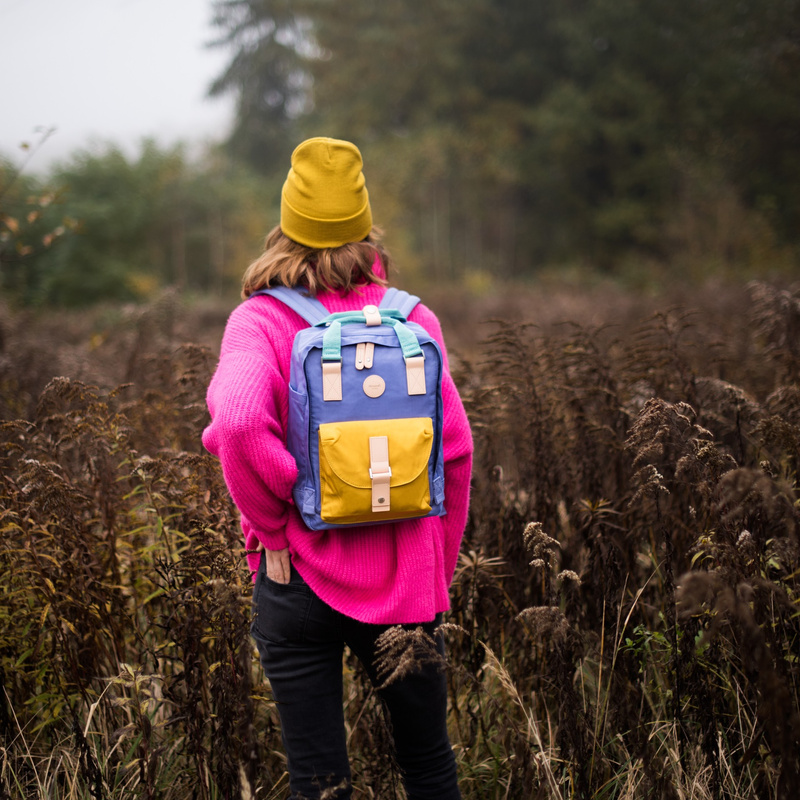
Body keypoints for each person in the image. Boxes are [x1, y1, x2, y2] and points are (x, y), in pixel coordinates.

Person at [202, 137, 473, 800]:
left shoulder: (259, 321)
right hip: (408, 583)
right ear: (364, 227)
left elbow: (236, 423)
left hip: (297, 578)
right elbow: (457, 451)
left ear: (285, 226)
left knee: (319, 782)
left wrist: (272, 530)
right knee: (429, 766)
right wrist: (439, 562)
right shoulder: (414, 318)